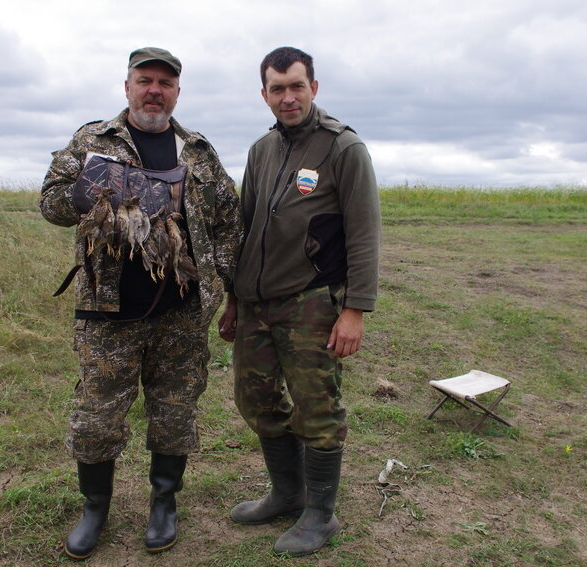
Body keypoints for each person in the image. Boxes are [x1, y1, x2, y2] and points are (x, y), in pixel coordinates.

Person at [39, 47, 242, 560]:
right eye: (145, 80)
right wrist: (103, 189)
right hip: (109, 313)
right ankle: (95, 508)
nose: (155, 90)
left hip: (181, 314)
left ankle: (163, 504)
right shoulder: (92, 141)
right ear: (127, 86)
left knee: (175, 412)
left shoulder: (196, 151)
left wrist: (223, 287)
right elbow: (52, 203)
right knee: (96, 416)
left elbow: (227, 222)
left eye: (165, 83)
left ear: (177, 92)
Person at [218, 46, 381, 557]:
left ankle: (320, 514)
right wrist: (232, 299)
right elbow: (244, 228)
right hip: (255, 303)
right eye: (277, 88)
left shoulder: (343, 148)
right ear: (263, 94)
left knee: (317, 408)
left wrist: (354, 309)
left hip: (310, 302)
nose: (287, 97)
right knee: (256, 401)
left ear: (314, 87)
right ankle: (287, 494)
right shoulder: (261, 150)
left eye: (296, 86)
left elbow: (363, 233)